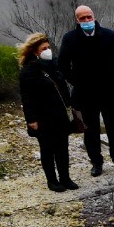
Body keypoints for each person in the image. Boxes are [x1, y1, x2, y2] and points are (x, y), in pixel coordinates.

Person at [57, 4, 114, 176]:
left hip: (109, 91)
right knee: (91, 130)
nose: (87, 20)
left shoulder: (109, 35)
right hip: (86, 93)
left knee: (113, 126)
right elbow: (63, 65)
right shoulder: (70, 39)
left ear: (94, 17)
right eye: (83, 18)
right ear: (77, 20)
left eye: (89, 17)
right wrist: (77, 81)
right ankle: (96, 162)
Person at [17, 33, 80, 193]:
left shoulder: (54, 65)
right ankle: (52, 181)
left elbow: (63, 88)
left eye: (48, 47)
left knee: (62, 148)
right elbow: (27, 98)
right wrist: (31, 119)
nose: (48, 50)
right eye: (44, 48)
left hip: (60, 114)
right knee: (47, 150)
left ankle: (65, 178)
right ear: (35, 52)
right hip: (43, 116)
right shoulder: (28, 72)